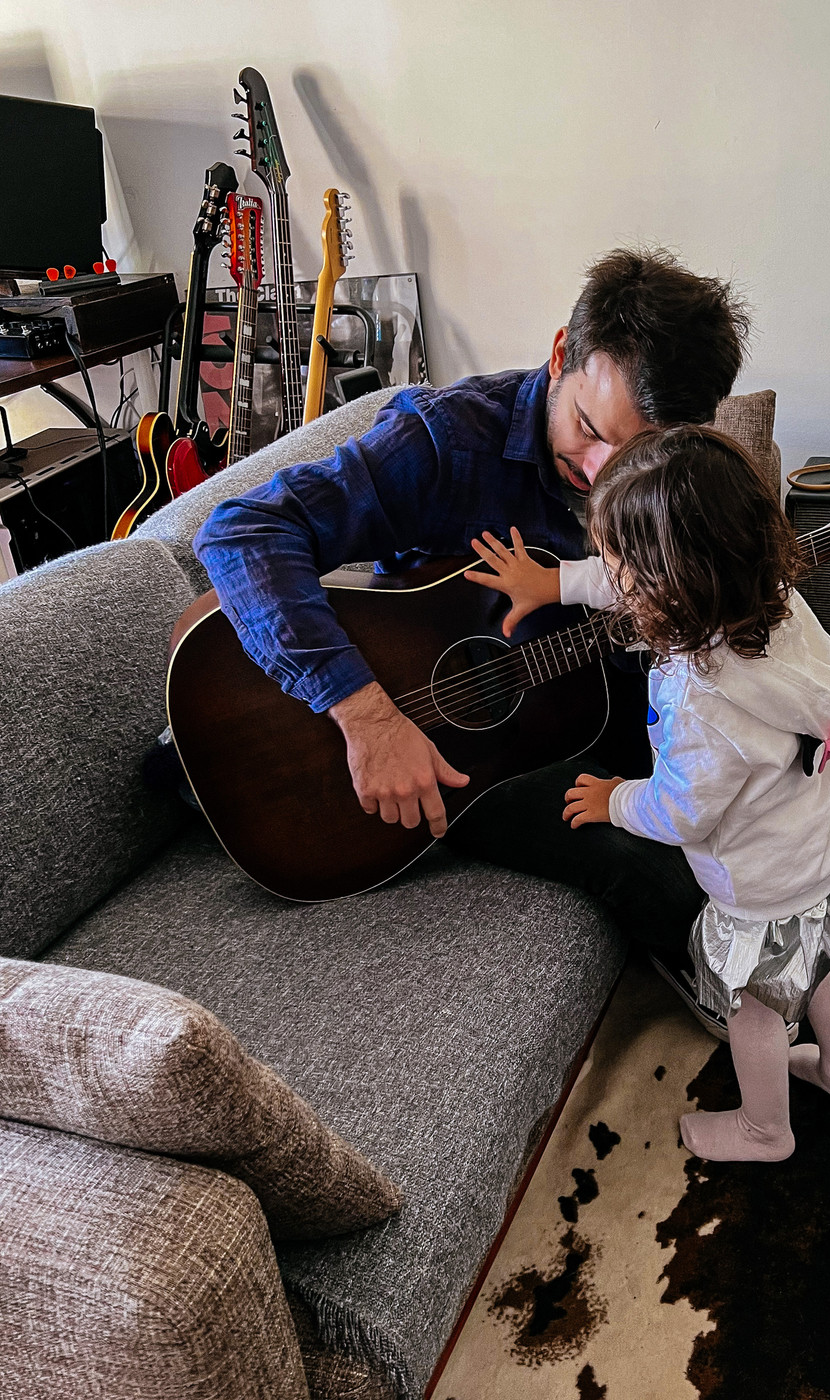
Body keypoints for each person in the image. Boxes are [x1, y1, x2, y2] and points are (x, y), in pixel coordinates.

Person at [194, 248, 749, 983]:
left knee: (750, 794)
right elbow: (241, 533)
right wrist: (368, 717)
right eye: (588, 425)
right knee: (651, 871)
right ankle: (746, 1010)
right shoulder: (446, 440)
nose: (598, 472)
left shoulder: (673, 481)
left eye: (634, 454)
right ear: (560, 355)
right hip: (454, 752)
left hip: (582, 698)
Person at [466, 424, 830, 1162]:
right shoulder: (768, 598)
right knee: (825, 963)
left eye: (616, 562)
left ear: (668, 586)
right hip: (825, 846)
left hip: (760, 886)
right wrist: (560, 582)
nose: (609, 572)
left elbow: (681, 809)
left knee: (758, 1008)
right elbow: (643, 577)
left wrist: (616, 799)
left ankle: (765, 1130)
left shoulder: (698, 696)